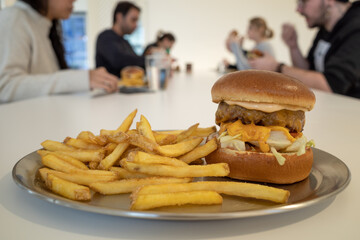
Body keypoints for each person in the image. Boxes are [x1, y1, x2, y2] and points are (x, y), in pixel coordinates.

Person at [0, 0, 118, 104]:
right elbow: (5, 87)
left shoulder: (45, 28)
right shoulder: (12, 17)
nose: (75, 0)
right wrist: (80, 79)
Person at [249, 0, 360, 98]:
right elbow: (309, 71)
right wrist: (293, 47)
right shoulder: (325, 29)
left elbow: (331, 86)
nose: (298, 9)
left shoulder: (356, 27)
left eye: (304, 1)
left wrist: (277, 68)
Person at [96, 1, 145, 78]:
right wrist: (149, 60)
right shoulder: (105, 37)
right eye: (133, 20)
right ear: (119, 17)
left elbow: (137, 63)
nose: (136, 25)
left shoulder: (125, 42)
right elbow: (120, 61)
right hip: (111, 88)